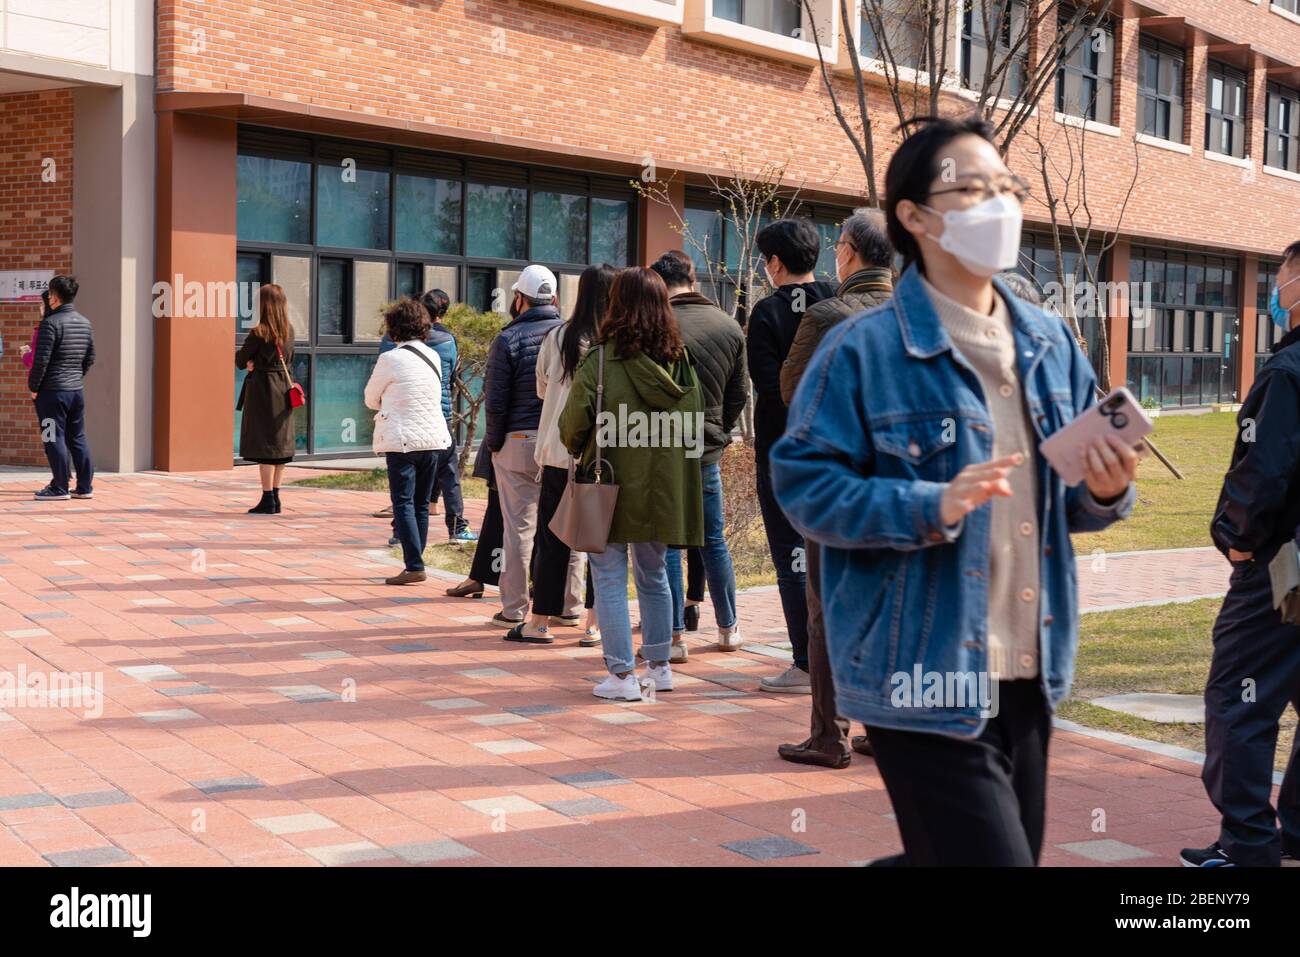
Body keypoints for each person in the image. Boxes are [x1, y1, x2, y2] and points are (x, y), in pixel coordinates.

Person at [770, 115, 1139, 866]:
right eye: (975, 188)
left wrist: (1104, 489)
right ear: (913, 216)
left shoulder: (1048, 341)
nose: (1000, 203)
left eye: (1008, 186)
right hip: (918, 668)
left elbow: (1066, 500)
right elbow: (803, 484)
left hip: (1029, 665)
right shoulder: (861, 349)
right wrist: (927, 504)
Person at [1183, 240, 1300, 868]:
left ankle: (1248, 845)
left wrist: (1240, 544)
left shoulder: (1287, 373)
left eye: (1280, 279)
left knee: (1238, 697)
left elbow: (1264, 473)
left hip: (1281, 573)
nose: (1274, 294)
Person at [775, 208, 895, 767]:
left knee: (828, 611)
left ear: (848, 251)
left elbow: (794, 390)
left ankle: (829, 734)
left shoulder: (827, 315)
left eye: (838, 243)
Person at [559, 267, 703, 701]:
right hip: (663, 487)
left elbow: (572, 428)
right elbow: (693, 425)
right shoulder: (681, 361)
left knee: (607, 576)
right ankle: (659, 667)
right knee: (655, 574)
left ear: (616, 305)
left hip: (611, 482)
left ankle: (621, 676)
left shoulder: (601, 358)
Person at [504, 264, 617, 644]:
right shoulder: (617, 339)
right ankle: (594, 623)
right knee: (599, 540)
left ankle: (539, 623)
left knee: (551, 540)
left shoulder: (558, 337)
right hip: (603, 455)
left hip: (556, 451)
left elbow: (541, 390)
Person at [746, 220, 836, 669]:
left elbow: (768, 387)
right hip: (839, 450)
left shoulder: (766, 313)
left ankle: (805, 661)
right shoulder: (840, 298)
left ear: (775, 262)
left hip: (783, 453)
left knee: (791, 554)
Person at [649, 250, 746, 663]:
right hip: (706, 448)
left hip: (662, 447)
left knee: (669, 544)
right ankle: (728, 628)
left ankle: (673, 638)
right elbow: (739, 393)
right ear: (693, 278)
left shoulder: (652, 326)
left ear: (658, 282)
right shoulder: (728, 326)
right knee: (713, 540)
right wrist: (719, 433)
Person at [484, 264, 565, 628]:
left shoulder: (508, 339)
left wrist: (494, 444)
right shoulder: (569, 336)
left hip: (517, 441)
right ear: (554, 298)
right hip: (560, 442)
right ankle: (570, 604)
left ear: (519, 299)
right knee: (567, 525)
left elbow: (496, 400)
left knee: (518, 528)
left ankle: (514, 608)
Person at [364, 298, 451, 585]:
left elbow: (370, 398)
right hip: (433, 438)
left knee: (403, 502)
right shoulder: (433, 355)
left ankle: (414, 565)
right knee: (421, 504)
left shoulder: (390, 358)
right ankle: (417, 561)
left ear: (394, 328)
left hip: (402, 439)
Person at [379, 289, 475, 543]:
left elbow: (379, 382)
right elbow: (452, 378)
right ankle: (457, 527)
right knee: (449, 473)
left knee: (404, 483)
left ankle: (400, 532)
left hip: (401, 420)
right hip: (438, 415)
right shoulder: (447, 341)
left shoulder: (390, 342)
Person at [27, 276, 95, 501]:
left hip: (51, 394)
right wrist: (75, 376)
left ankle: (59, 487)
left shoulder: (50, 324)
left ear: (54, 298)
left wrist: (34, 387)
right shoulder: (85, 322)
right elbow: (89, 357)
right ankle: (84, 487)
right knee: (78, 436)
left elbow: (41, 361)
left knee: (51, 437)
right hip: (76, 392)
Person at [236, 283, 299, 513]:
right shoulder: (289, 330)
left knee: (265, 445)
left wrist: (252, 364)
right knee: (279, 446)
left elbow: (241, 360)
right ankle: (276, 497)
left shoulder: (258, 332)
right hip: (284, 388)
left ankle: (266, 498)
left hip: (264, 391)